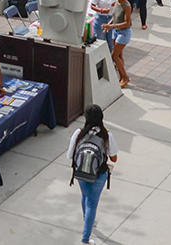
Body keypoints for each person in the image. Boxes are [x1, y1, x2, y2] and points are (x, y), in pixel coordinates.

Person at [68, 104, 119, 244]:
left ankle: (87, 220)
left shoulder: (79, 133)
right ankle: (85, 238)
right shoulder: (106, 135)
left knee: (85, 196)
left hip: (80, 173)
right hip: (99, 174)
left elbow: (70, 155)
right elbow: (114, 158)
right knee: (92, 203)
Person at [102, 0, 133, 87]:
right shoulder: (116, 3)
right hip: (116, 31)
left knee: (114, 55)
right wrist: (108, 25)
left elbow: (127, 23)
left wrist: (111, 26)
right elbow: (114, 17)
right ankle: (121, 76)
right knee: (119, 56)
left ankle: (125, 77)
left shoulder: (126, 6)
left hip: (124, 32)